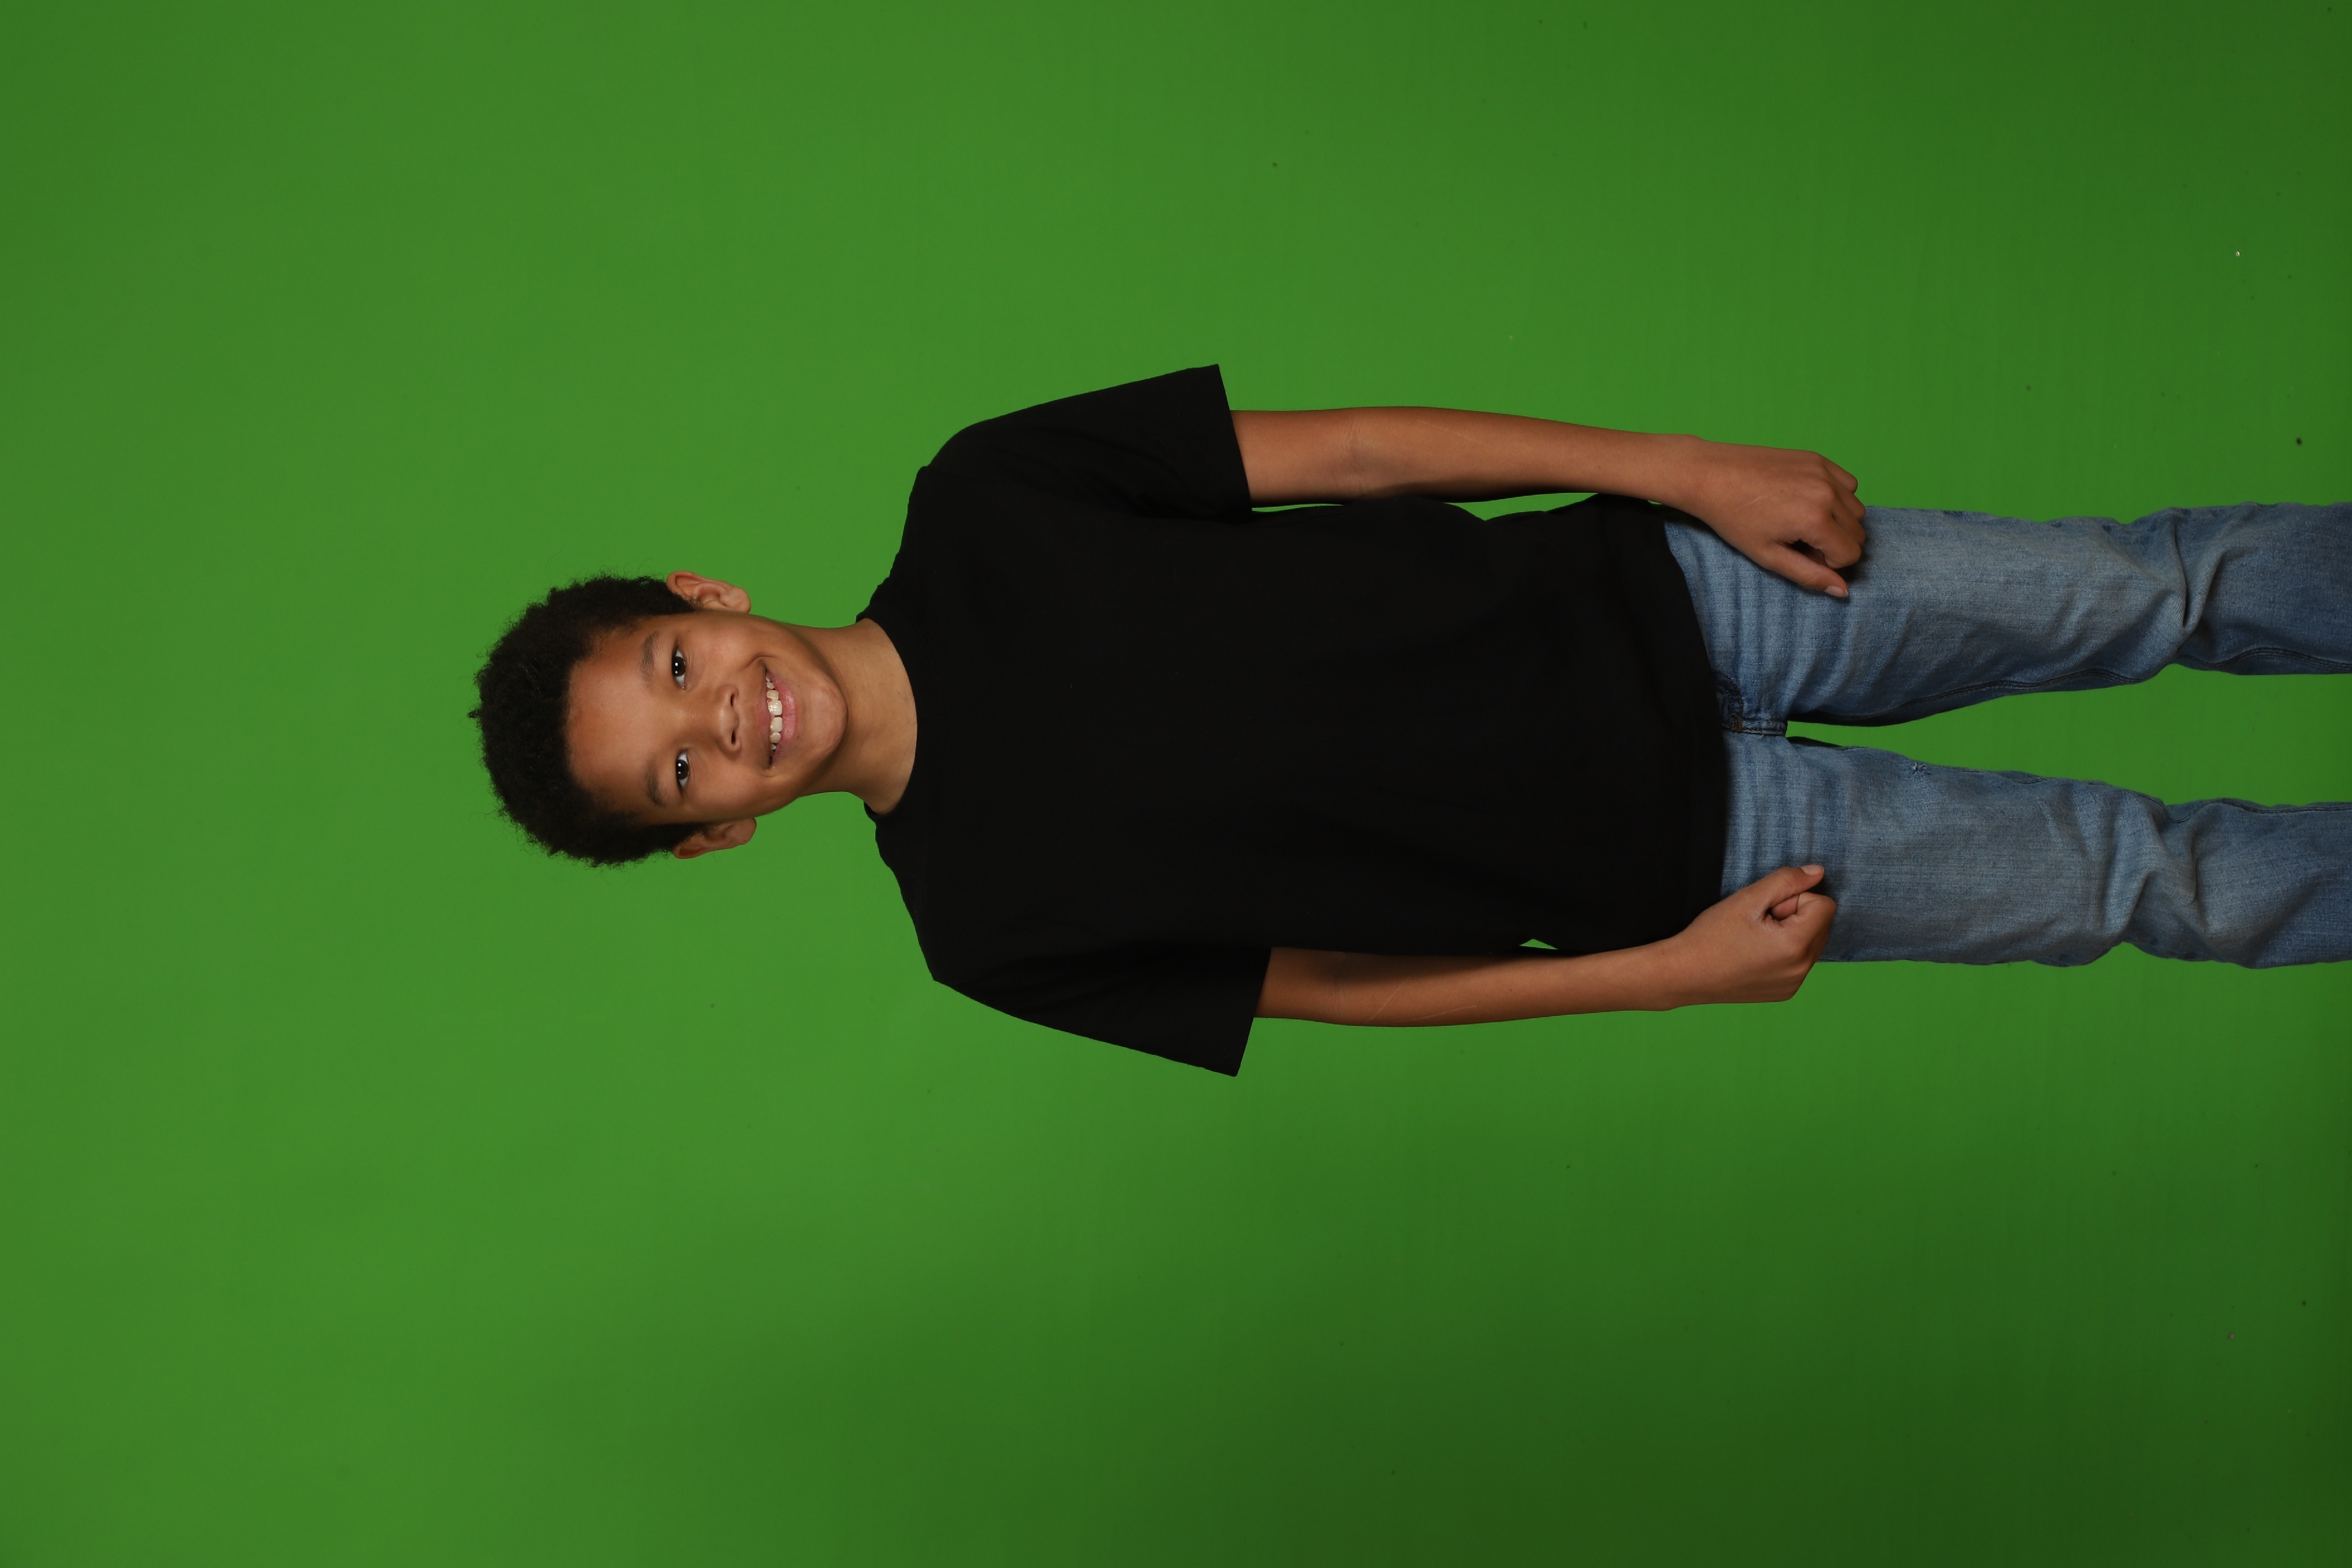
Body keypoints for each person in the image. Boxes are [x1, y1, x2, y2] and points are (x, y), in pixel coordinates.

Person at [471, 368, 2352, 1074]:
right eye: (682, 771)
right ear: (715, 831)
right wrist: (1654, 980)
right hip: (1698, 862)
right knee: (2152, 883)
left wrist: (1680, 469)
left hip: (1685, 591)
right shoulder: (987, 928)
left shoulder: (986, 496)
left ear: (703, 594)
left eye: (677, 668)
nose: (726, 719)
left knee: (2154, 588)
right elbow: (1345, 989)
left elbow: (1360, 449)